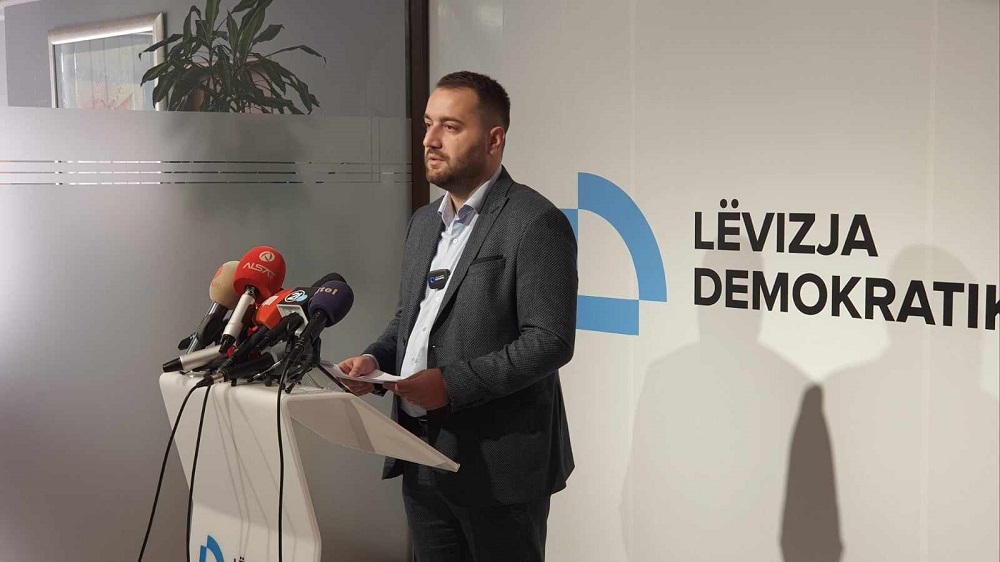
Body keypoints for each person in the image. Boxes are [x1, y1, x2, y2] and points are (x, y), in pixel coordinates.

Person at [338, 71, 577, 562]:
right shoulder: (424, 222)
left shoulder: (535, 221)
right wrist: (376, 360)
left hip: (499, 468)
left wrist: (451, 384)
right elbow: (412, 319)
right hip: (419, 453)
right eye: (428, 124)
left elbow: (550, 340)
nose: (430, 139)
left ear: (494, 139)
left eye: (450, 126)